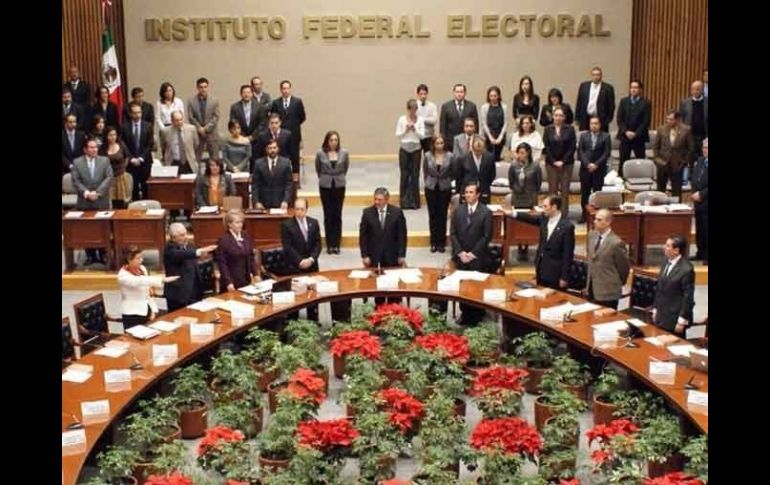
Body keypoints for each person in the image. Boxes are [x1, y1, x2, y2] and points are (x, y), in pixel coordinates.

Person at [510, 195, 575, 290]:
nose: (543, 209)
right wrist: (513, 213)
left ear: (554, 207)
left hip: (555, 273)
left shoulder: (567, 227)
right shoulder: (544, 219)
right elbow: (529, 218)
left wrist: (564, 277)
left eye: (545, 206)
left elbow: (568, 255)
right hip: (541, 269)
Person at [451, 182, 493, 325]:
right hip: (461, 256)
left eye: (471, 192)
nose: (467, 195)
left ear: (478, 195)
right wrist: (460, 252)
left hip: (477, 257)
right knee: (463, 286)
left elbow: (486, 236)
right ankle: (464, 313)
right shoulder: (458, 210)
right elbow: (453, 233)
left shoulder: (486, 212)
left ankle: (477, 315)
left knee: (476, 287)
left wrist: (473, 253)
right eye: (466, 192)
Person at [359, 187, 407, 304]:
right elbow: (363, 236)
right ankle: (379, 306)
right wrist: (365, 255)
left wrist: (401, 254)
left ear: (386, 200)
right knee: (378, 285)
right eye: (375, 199)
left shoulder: (397, 213)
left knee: (393, 284)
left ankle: (393, 306)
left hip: (392, 254)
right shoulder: (367, 213)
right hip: (374, 256)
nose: (377, 202)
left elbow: (402, 235)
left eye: (379, 200)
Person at [71, 139, 114, 265]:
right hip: (85, 201)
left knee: (103, 228)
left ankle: (103, 254)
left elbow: (109, 177)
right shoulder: (77, 162)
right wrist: (86, 193)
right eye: (91, 147)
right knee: (87, 230)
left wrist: (97, 193)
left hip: (101, 200)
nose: (94, 149)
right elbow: (75, 181)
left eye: (96, 147)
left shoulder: (104, 160)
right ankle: (90, 255)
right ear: (85, 149)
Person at [118, 246, 179, 329]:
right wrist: (163, 279)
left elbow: (147, 292)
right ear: (129, 260)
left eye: (141, 257)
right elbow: (140, 281)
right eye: (138, 258)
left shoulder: (142, 268)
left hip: (146, 309)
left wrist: (153, 309)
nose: (141, 260)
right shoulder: (123, 275)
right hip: (132, 313)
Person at [281, 198, 322, 320]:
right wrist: (300, 261)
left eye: (302, 209)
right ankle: (293, 322)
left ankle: (313, 320)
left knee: (313, 295)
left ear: (306, 210)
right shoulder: (286, 225)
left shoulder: (313, 222)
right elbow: (288, 247)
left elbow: (318, 244)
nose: (299, 212)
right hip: (295, 266)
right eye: (297, 209)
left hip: (312, 265)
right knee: (296, 297)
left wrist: (311, 259)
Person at [163, 223, 217, 312]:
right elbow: (182, 254)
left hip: (195, 291)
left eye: (186, 234)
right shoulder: (169, 249)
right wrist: (199, 252)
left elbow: (192, 259)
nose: (186, 237)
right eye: (182, 235)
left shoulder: (189, 245)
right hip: (179, 295)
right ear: (173, 237)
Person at [585, 209, 630, 309]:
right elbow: (590, 258)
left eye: (599, 220)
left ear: (608, 222)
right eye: (595, 219)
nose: (595, 222)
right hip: (592, 288)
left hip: (608, 291)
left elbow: (623, 268)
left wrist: (618, 283)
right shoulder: (591, 236)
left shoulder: (616, 243)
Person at [315, 130, 349, 254]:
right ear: (327, 141)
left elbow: (345, 168)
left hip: (339, 185)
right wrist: (325, 178)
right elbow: (318, 169)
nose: (334, 142)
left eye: (336, 140)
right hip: (325, 186)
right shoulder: (320, 153)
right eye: (331, 140)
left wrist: (338, 177)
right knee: (328, 214)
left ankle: (336, 244)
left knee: (337, 214)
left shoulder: (344, 153)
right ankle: (329, 244)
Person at [652, 235, 695, 334]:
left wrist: (681, 321)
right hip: (661, 315)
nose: (664, 247)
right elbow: (660, 288)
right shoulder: (665, 262)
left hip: (675, 319)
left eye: (668, 246)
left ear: (676, 250)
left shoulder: (687, 269)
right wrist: (655, 309)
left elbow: (688, 297)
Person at [508, 142, 542, 261]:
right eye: (518, 153)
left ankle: (526, 247)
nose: (520, 155)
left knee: (529, 223)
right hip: (517, 199)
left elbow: (538, 183)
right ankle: (519, 247)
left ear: (528, 153)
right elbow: (511, 182)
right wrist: (517, 188)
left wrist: (531, 192)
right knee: (518, 223)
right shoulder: (513, 165)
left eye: (522, 153)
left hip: (530, 198)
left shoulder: (535, 166)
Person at [651, 110, 694, 199]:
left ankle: (676, 207)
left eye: (671, 119)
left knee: (676, 192)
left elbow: (690, 149)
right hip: (662, 164)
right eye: (667, 119)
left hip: (677, 165)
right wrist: (657, 161)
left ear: (677, 119)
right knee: (660, 192)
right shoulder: (661, 129)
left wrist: (684, 162)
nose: (668, 121)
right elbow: (655, 147)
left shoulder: (686, 130)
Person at [423, 134, 454, 253]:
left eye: (441, 143)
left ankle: (441, 242)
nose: (440, 145)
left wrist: (448, 182)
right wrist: (427, 182)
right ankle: (433, 242)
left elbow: (452, 172)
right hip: (431, 187)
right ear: (433, 144)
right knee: (433, 215)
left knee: (442, 214)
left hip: (445, 187)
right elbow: (425, 171)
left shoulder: (450, 156)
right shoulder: (427, 155)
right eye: (437, 143)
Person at [270, 80, 306, 179]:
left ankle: (296, 180)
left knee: (295, 158)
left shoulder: (297, 102)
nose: (285, 90)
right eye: (283, 88)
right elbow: (273, 116)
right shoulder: (276, 102)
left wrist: (293, 126)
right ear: (281, 90)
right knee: (281, 157)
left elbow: (302, 117)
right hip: (280, 136)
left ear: (290, 89)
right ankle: (280, 177)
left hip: (294, 135)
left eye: (287, 88)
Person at [543, 108, 576, 213]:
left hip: (566, 164)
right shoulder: (547, 129)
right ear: (553, 116)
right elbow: (546, 147)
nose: (558, 117)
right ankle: (552, 213)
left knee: (565, 191)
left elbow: (572, 147)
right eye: (556, 115)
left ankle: (564, 215)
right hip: (551, 164)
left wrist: (563, 161)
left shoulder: (570, 129)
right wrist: (554, 161)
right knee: (552, 191)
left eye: (560, 115)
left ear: (564, 117)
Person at [215, 209, 258, 292]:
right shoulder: (223, 240)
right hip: (231, 283)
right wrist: (228, 282)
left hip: (245, 281)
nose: (240, 225)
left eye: (241, 222)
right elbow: (222, 264)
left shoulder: (246, 236)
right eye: (237, 222)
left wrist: (255, 274)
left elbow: (251, 257)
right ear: (229, 224)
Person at [578, 116, 611, 221]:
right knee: (585, 194)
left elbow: (606, 153)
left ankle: (597, 216)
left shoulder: (606, 136)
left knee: (597, 194)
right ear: (589, 125)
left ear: (600, 125)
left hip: (599, 169)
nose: (594, 125)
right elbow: (580, 152)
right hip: (585, 169)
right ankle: (584, 215)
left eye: (596, 123)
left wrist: (596, 164)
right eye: (592, 123)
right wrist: (588, 164)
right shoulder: (583, 136)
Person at [615, 79, 651, 177]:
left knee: (640, 161)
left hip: (639, 137)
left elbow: (646, 121)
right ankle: (621, 179)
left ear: (640, 89)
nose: (633, 89)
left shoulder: (646, 103)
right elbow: (619, 119)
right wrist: (626, 131)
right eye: (631, 87)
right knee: (623, 161)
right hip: (625, 136)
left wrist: (636, 133)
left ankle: (641, 179)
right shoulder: (624, 101)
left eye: (636, 87)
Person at [395, 99, 425, 209]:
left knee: (415, 175)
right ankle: (404, 201)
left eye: (415, 109)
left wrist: (415, 129)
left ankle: (414, 202)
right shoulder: (402, 119)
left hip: (416, 149)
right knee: (405, 175)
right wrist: (406, 129)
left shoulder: (420, 120)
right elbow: (398, 135)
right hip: (404, 149)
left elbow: (422, 136)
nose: (413, 112)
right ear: (407, 109)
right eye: (411, 109)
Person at [121, 101, 154, 200]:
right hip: (131, 163)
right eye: (135, 113)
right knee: (133, 189)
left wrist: (141, 158)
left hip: (145, 162)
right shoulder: (124, 127)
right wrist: (131, 158)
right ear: (130, 114)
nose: (137, 115)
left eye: (139, 112)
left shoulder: (148, 126)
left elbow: (150, 144)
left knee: (146, 188)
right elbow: (123, 145)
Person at [230, 84, 267, 169]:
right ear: (241, 94)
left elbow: (262, 124)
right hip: (239, 139)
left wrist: (251, 137)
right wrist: (242, 137)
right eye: (244, 92)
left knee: (256, 163)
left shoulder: (260, 107)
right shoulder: (235, 107)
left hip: (256, 140)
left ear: (252, 94)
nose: (246, 94)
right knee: (241, 164)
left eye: (248, 92)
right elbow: (233, 123)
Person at [251, 139, 292, 210]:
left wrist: (286, 201)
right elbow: (255, 185)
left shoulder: (286, 163)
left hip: (281, 202)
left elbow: (289, 184)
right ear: (266, 149)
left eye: (274, 148)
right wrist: (256, 202)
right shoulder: (258, 163)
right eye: (270, 148)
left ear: (278, 149)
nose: (272, 150)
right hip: (263, 203)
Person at [186, 77, 220, 161]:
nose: (203, 89)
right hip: (197, 133)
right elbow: (191, 117)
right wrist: (199, 128)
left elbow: (216, 117)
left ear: (208, 87)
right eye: (201, 87)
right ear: (197, 88)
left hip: (211, 132)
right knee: (196, 158)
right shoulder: (191, 101)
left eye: (205, 87)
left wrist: (206, 128)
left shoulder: (214, 100)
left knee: (215, 158)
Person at [440, 84, 479, 152]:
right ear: (454, 93)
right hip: (450, 142)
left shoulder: (472, 106)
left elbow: (476, 124)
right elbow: (443, 126)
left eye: (461, 92)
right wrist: (444, 141)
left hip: (467, 142)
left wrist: (475, 140)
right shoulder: (446, 106)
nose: (459, 94)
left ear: (465, 93)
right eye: (457, 92)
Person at [575, 66, 616, 132]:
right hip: (585, 118)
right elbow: (579, 102)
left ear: (601, 76)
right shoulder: (584, 86)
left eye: (598, 75)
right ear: (591, 75)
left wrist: (607, 120)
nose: (596, 77)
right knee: (584, 136)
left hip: (601, 119)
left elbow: (611, 106)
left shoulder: (608, 88)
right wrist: (577, 118)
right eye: (594, 75)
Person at [100, 126, 132, 209]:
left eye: (114, 135)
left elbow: (126, 157)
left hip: (120, 177)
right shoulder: (102, 148)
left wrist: (123, 168)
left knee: (122, 203)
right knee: (110, 202)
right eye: (110, 135)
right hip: (109, 178)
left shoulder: (121, 144)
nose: (113, 137)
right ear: (106, 136)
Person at [459, 135, 495, 204]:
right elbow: (459, 177)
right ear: (472, 148)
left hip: (484, 190)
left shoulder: (490, 157)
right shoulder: (463, 158)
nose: (478, 153)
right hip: (467, 191)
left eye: (480, 151)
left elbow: (492, 175)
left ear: (484, 148)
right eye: (476, 151)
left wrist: (484, 184)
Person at [160, 111, 199, 175]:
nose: (180, 122)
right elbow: (163, 147)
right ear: (172, 121)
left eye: (181, 119)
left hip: (188, 162)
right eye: (177, 120)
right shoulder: (165, 131)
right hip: (173, 162)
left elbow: (196, 144)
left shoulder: (191, 129)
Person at [679, 80, 708, 156]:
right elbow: (682, 119)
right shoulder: (685, 102)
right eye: (693, 89)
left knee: (703, 157)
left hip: (704, 136)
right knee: (689, 157)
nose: (695, 91)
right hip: (690, 136)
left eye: (698, 89)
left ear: (702, 90)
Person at [690, 138, 708, 262]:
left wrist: (701, 194)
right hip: (698, 202)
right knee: (700, 228)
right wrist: (694, 193)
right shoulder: (701, 160)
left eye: (707, 148)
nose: (704, 150)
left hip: (706, 200)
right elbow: (695, 177)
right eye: (703, 147)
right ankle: (700, 252)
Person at [480, 86, 509, 161]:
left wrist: (500, 137)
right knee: (488, 158)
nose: (493, 98)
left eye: (495, 96)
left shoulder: (504, 107)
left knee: (498, 158)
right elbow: (484, 123)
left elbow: (505, 123)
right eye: (491, 96)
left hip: (500, 134)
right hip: (488, 135)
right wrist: (490, 137)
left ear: (498, 96)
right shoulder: (484, 107)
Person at [416, 84, 438, 152]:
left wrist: (421, 119)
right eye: (421, 94)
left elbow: (434, 120)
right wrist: (427, 119)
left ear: (427, 94)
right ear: (417, 94)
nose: (423, 96)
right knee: (416, 156)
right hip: (417, 136)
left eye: (425, 94)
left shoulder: (432, 106)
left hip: (429, 136)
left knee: (429, 155)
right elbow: (414, 120)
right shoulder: (414, 105)